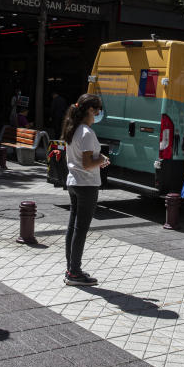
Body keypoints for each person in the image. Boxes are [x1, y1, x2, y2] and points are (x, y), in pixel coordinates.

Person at [62, 94, 110, 285]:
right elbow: (88, 163)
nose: (99, 113)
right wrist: (103, 160)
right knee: (81, 229)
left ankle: (71, 269)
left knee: (73, 227)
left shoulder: (72, 129)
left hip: (73, 182)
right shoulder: (86, 132)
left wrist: (97, 159)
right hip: (86, 184)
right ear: (90, 110)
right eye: (98, 110)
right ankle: (74, 272)